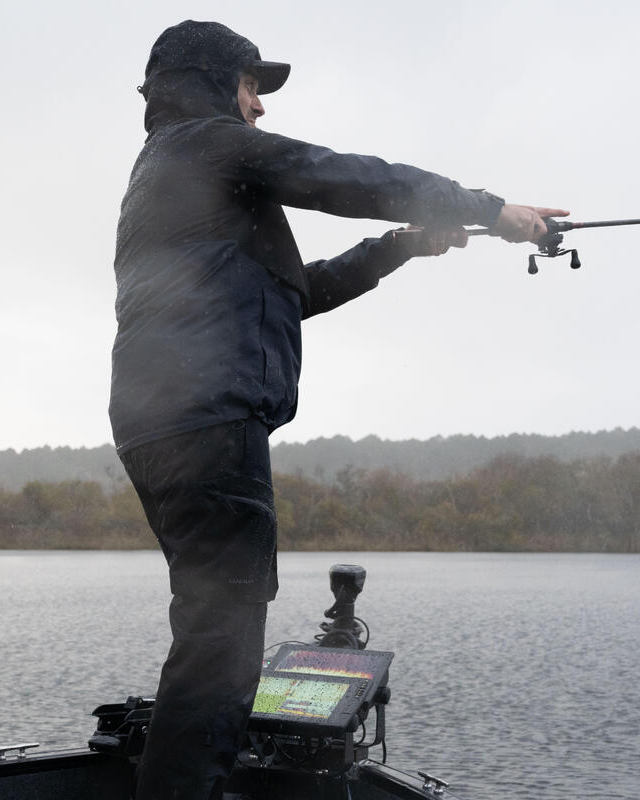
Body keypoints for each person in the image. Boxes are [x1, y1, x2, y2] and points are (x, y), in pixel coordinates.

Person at [109, 20, 567, 800]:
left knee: (210, 635)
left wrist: (402, 247)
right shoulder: (208, 144)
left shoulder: (173, 175)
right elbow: (338, 174)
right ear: (212, 82)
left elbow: (293, 296)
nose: (259, 108)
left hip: (169, 426)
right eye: (252, 86)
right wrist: (493, 211)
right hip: (212, 424)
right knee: (221, 650)